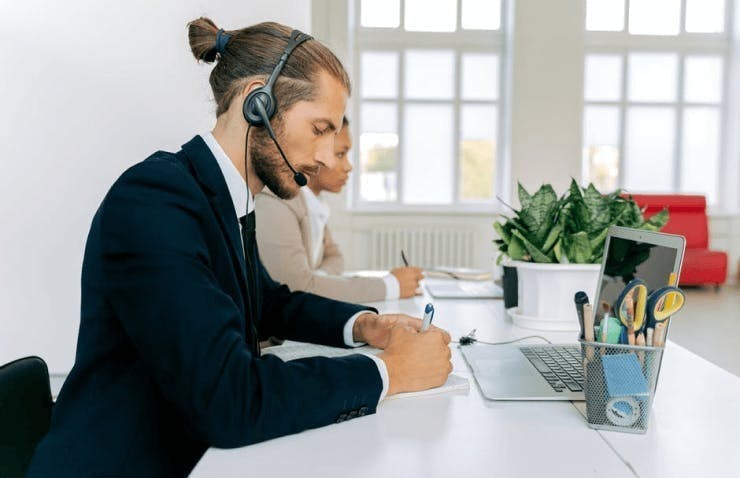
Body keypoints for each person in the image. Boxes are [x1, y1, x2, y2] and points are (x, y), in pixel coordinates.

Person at [27, 19, 452, 477]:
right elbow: (230, 400)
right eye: (319, 129)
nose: (329, 157)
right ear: (258, 103)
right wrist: (390, 372)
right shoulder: (155, 201)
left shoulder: (223, 197)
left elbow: (268, 303)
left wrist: (368, 326)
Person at [256, 117, 423, 303]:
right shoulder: (276, 201)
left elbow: (335, 257)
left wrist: (316, 279)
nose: (349, 167)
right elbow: (297, 288)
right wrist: (390, 286)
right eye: (340, 154)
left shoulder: (313, 202)